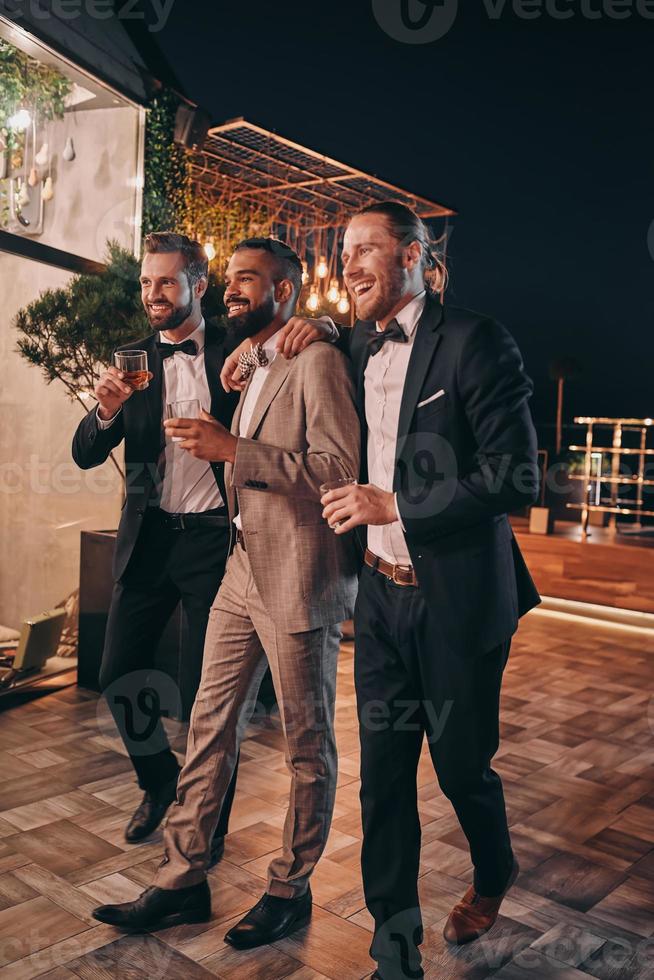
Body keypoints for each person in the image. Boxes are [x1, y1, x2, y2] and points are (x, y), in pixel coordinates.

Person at [225, 203, 541, 979]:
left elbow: (519, 478)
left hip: (460, 599)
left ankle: (494, 872)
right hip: (380, 599)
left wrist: (396, 506)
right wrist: (274, 343)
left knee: (464, 767)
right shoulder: (353, 340)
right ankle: (394, 949)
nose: (352, 262)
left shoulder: (474, 340)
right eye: (344, 250)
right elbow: (320, 346)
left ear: (414, 256)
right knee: (385, 781)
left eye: (367, 248)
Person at [91, 237, 361, 946]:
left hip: (299, 574)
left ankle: (290, 888)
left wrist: (233, 449)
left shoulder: (319, 357)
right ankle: (182, 878)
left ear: (287, 291)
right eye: (231, 279)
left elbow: (337, 466)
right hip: (239, 569)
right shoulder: (250, 360)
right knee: (208, 727)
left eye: (249, 279)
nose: (235, 290)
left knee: (307, 745)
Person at [72, 232, 241, 860]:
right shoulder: (132, 362)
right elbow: (85, 453)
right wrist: (107, 411)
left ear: (199, 282)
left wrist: (327, 328)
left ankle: (208, 827)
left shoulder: (238, 350)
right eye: (146, 283)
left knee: (207, 698)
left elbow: (304, 338)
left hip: (215, 544)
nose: (152, 294)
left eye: (165, 282)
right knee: (118, 674)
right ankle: (158, 779)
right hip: (149, 540)